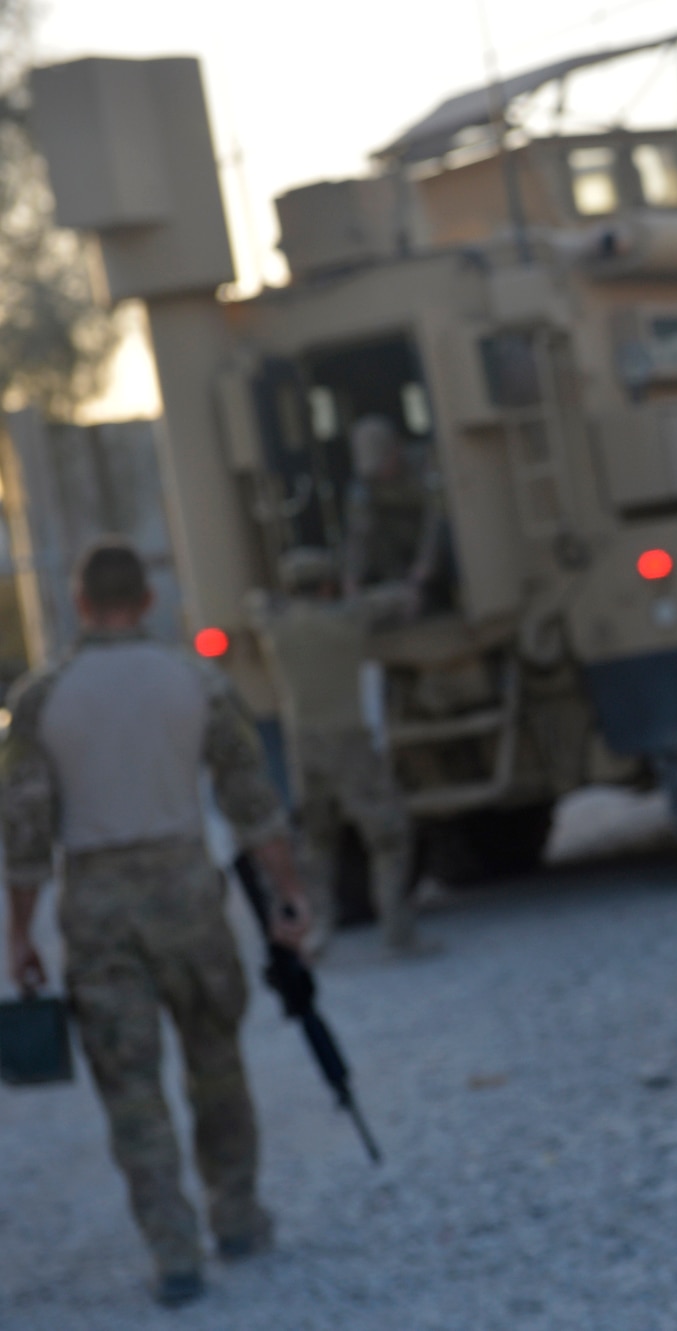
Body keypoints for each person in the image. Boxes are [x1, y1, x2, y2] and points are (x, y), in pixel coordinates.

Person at [2, 539, 313, 1307]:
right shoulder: (196, 681)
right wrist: (287, 896)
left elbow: (25, 835)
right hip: (188, 897)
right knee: (216, 1062)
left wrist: (20, 936)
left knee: (130, 1086)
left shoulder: (43, 698)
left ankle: (174, 1251)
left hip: (100, 912)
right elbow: (253, 803)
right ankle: (236, 1215)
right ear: (147, 600)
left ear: (78, 604)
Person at [247, 546, 428, 957]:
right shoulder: (348, 617)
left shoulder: (278, 625)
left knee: (315, 843)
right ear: (328, 585)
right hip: (349, 742)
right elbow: (395, 598)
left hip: (303, 746)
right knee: (388, 836)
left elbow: (255, 604)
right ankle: (397, 933)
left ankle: (319, 932)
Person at [343, 414, 447, 606]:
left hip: (434, 547)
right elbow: (359, 534)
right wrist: (351, 583)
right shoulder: (366, 484)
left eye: (381, 463)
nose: (379, 475)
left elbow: (436, 520)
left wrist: (421, 574)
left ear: (396, 448)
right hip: (399, 551)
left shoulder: (426, 463)